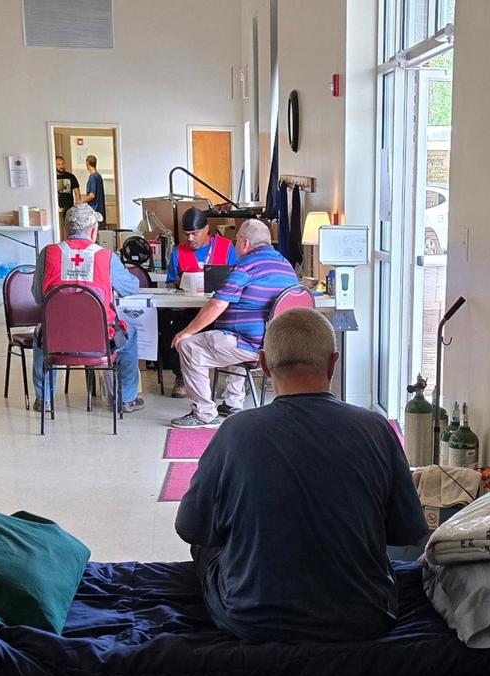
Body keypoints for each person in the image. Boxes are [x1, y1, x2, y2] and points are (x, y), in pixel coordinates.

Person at [176, 307, 427, 643]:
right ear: (333, 363)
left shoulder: (236, 431)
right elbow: (407, 530)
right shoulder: (376, 428)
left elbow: (191, 527)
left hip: (253, 618)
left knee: (207, 544)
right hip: (367, 614)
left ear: (264, 364)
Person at [169, 218, 297, 427]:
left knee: (189, 346)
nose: (235, 245)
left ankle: (204, 413)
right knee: (230, 338)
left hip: (249, 345)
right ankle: (232, 402)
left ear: (245, 243)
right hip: (276, 345)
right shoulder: (286, 266)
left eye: (236, 241)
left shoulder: (246, 265)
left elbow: (217, 304)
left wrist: (186, 332)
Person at [30, 203, 143, 412]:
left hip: (57, 339)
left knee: (40, 335)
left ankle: (44, 400)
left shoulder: (47, 253)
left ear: (66, 230)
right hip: (101, 340)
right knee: (132, 333)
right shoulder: (106, 256)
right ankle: (127, 399)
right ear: (93, 231)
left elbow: (38, 296)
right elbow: (131, 288)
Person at [158, 207, 239, 399]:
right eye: (187, 234)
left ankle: (235, 381)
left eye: (195, 233)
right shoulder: (178, 252)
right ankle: (181, 376)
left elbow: (237, 277)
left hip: (219, 310)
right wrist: (180, 282)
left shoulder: (226, 247)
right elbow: (170, 283)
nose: (190, 238)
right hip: (189, 309)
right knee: (172, 328)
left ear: (206, 229)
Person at [55, 155, 81, 238]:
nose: (61, 166)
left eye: (62, 164)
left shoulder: (71, 177)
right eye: (58, 164)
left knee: (70, 229)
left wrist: (77, 207)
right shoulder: (52, 177)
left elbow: (77, 193)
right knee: (57, 229)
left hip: (69, 208)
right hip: (56, 208)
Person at [82, 155, 106, 222]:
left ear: (87, 163)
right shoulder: (98, 176)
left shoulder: (92, 177)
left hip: (94, 209)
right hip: (100, 210)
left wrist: (81, 201)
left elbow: (92, 195)